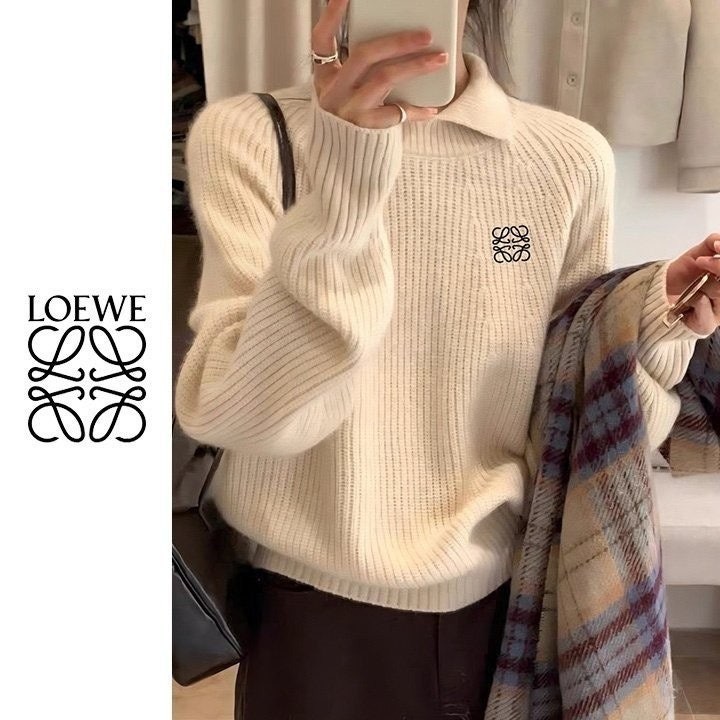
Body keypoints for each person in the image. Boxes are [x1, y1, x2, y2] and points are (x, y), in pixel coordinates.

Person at [174, 0, 720, 717]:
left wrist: (651, 326)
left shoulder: (566, 156)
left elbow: (572, 419)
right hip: (310, 617)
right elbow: (246, 417)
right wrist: (345, 181)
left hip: (506, 611)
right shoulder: (248, 135)